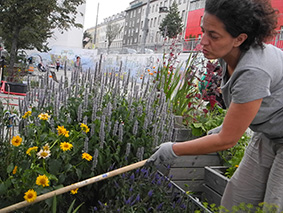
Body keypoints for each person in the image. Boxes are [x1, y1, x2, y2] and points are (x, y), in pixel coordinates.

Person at [147, 0, 283, 211]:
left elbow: (227, 140)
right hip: (269, 134)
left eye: (213, 35)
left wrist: (173, 150)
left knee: (274, 206)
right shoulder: (228, 55)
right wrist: (227, 125)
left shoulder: (254, 70)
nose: (203, 41)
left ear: (239, 39)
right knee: (237, 200)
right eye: (203, 31)